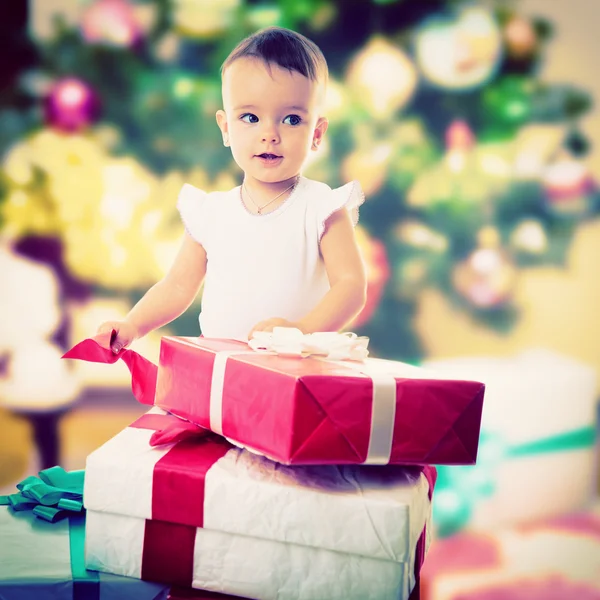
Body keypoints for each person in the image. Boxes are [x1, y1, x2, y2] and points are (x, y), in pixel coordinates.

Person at [98, 26, 367, 354]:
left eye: (292, 120)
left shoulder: (321, 208)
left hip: (293, 369)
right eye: (250, 117)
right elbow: (178, 285)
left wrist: (301, 331)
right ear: (226, 128)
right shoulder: (212, 213)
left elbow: (351, 286)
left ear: (317, 133)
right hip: (221, 369)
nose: (269, 134)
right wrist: (132, 325)